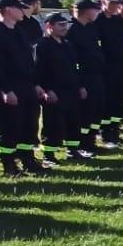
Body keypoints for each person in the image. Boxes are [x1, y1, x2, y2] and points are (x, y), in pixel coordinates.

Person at [0, 0, 46, 176]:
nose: (23, 11)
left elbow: (28, 61)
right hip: (8, 88)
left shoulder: (19, 31)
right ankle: (9, 166)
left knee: (29, 125)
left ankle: (28, 160)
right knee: (9, 128)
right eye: (19, 8)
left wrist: (36, 84)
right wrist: (5, 90)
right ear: (8, 10)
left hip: (26, 86)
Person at [34, 12, 84, 167]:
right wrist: (47, 89)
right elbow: (38, 70)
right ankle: (49, 154)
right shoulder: (41, 46)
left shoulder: (67, 45)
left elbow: (75, 68)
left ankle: (72, 150)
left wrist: (80, 86)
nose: (64, 28)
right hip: (54, 92)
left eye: (65, 24)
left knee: (73, 121)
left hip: (71, 90)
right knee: (53, 124)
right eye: (60, 25)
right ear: (49, 26)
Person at [66, 0, 105, 157]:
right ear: (85, 11)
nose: (97, 12)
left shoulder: (91, 28)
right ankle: (80, 144)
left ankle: (91, 142)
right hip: (82, 77)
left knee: (95, 111)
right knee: (83, 113)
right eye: (94, 10)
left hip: (96, 75)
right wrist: (79, 83)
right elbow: (72, 59)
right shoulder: (71, 30)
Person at [96, 0, 123, 148]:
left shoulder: (118, 21)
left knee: (119, 100)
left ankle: (115, 132)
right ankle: (106, 134)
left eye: (116, 3)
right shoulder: (97, 21)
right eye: (111, 2)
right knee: (108, 102)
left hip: (121, 66)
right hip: (106, 68)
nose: (113, 6)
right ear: (103, 2)